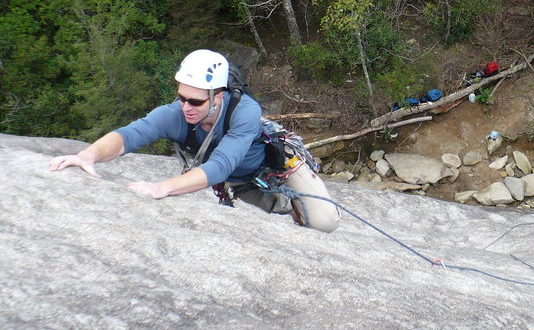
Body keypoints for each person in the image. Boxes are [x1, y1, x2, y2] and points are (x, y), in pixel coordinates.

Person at [50, 49, 340, 232]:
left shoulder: (245, 111)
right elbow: (130, 135)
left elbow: (222, 164)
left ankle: (303, 200)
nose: (186, 107)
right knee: (282, 207)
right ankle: (288, 206)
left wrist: (163, 188)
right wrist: (88, 155)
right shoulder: (176, 114)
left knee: (324, 222)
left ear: (219, 97)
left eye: (196, 101)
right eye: (181, 98)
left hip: (277, 163)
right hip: (241, 180)